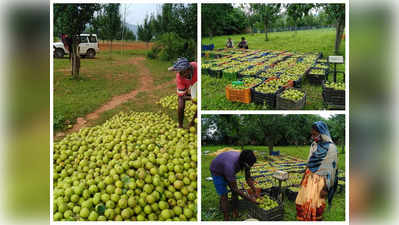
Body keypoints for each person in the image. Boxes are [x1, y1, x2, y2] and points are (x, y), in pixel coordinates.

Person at [295, 121, 338, 221]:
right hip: (309, 178)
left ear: (322, 133)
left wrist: (325, 188)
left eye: (315, 134)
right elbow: (309, 162)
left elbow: (331, 170)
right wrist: (302, 178)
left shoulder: (331, 148)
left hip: (320, 181)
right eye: (312, 134)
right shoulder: (314, 145)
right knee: (303, 199)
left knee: (316, 203)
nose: (313, 137)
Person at [210, 150, 259, 221]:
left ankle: (235, 211)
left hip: (226, 167)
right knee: (224, 196)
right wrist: (250, 199)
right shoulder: (230, 166)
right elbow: (235, 188)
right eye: (248, 166)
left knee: (235, 193)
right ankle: (226, 218)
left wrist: (255, 191)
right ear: (244, 163)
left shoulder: (245, 161)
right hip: (217, 171)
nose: (249, 167)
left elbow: (248, 178)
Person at [168, 58, 197, 128]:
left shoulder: (197, 68)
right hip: (189, 85)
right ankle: (180, 125)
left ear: (188, 70)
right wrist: (191, 98)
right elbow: (182, 95)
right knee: (180, 103)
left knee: (198, 104)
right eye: (179, 72)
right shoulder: (179, 77)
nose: (179, 74)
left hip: (197, 84)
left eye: (181, 72)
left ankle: (192, 123)